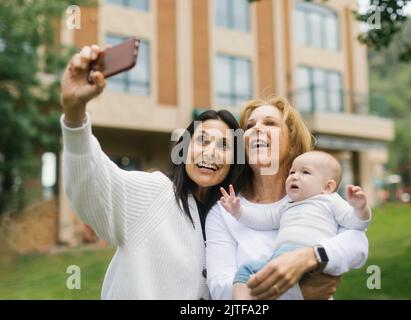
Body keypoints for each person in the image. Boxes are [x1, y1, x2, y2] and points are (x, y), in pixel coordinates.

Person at [59, 44, 245, 299]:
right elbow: (94, 187)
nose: (211, 152)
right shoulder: (155, 193)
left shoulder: (233, 215)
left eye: (224, 145)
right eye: (202, 140)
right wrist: (74, 114)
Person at [205, 97, 370, 300]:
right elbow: (221, 288)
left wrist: (309, 257)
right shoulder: (224, 211)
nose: (256, 128)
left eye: (270, 123)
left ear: (292, 144)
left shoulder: (316, 196)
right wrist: (298, 293)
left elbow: (357, 243)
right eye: (249, 125)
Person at [219, 151, 371, 299]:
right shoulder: (287, 205)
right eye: (292, 172)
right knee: (246, 270)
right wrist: (238, 211)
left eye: (305, 172)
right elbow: (262, 219)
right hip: (278, 260)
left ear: (327, 187)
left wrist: (360, 209)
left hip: (309, 263)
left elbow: (355, 224)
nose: (294, 177)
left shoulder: (330, 201)